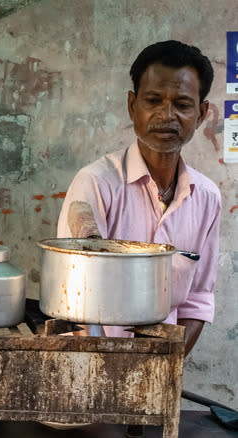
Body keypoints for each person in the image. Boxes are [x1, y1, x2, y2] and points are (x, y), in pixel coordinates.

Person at [57, 40, 221, 358]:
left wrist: (158, 369)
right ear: (133, 106)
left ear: (201, 114)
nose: (166, 115)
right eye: (153, 100)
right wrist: (113, 374)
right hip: (90, 366)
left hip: (159, 374)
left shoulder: (207, 198)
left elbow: (197, 302)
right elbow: (75, 301)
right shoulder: (96, 183)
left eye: (182, 104)